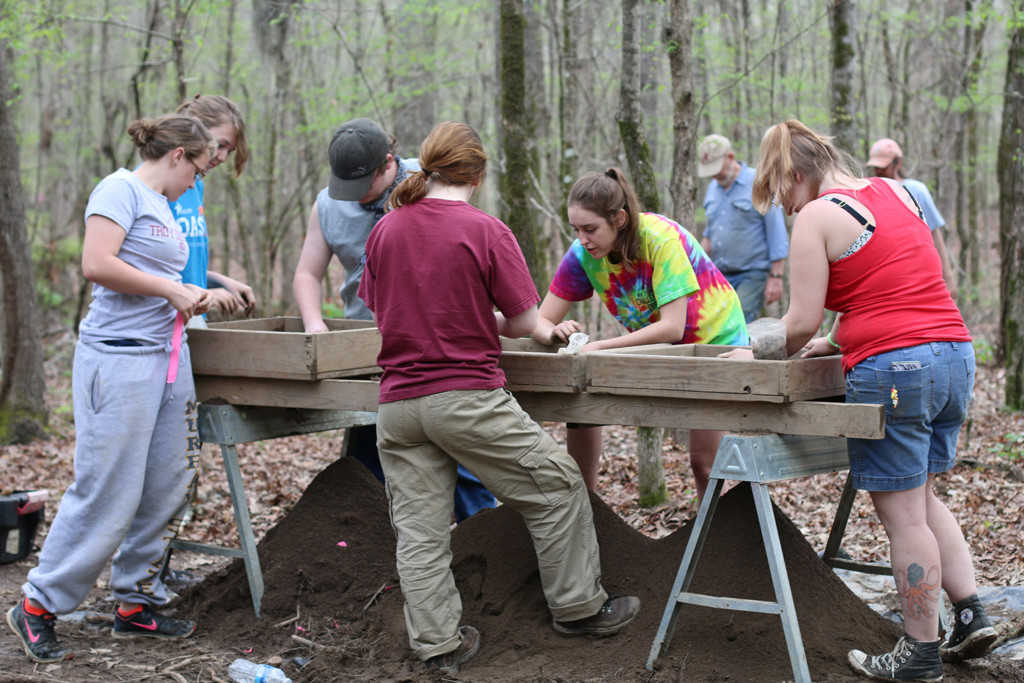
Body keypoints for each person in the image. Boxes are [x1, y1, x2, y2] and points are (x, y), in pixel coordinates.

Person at [357, 121, 640, 675]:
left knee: (420, 532)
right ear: (478, 174)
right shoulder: (485, 230)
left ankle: (438, 645)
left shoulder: (385, 230)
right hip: (463, 396)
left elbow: (384, 307)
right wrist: (535, 329)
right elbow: (521, 319)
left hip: (395, 405)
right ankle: (580, 608)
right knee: (557, 485)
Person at [747, 119, 996, 681]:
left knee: (901, 514)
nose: (787, 208)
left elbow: (796, 323)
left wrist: (753, 351)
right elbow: (893, 281)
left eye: (782, 192)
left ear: (795, 174)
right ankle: (970, 613)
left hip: (895, 368)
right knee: (924, 498)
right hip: (954, 353)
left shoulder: (817, 215)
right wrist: (835, 339)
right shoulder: (899, 193)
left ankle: (919, 654)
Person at [6, 114, 215, 663]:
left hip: (168, 358)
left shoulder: (165, 206)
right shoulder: (118, 190)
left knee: (170, 481)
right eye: (195, 168)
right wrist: (172, 288)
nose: (195, 182)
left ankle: (133, 601)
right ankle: (38, 604)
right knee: (109, 489)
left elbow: (155, 279)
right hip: (118, 360)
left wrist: (196, 292)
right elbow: (97, 264)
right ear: (177, 156)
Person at [292, 118, 496, 522]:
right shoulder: (328, 204)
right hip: (365, 350)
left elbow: (469, 246)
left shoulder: (435, 182)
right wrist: (315, 326)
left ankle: (482, 540)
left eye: (363, 183)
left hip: (436, 348)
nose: (353, 195)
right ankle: (377, 555)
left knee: (459, 456)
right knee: (370, 465)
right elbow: (307, 273)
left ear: (388, 163)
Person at [531, 168, 749, 498]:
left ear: (619, 218)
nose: (582, 238)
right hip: (657, 344)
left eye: (590, 229)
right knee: (583, 392)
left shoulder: (659, 239)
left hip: (713, 342)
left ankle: (718, 539)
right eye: (576, 229)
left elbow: (672, 327)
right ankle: (588, 510)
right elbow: (541, 319)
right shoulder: (582, 254)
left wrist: (602, 346)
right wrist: (552, 330)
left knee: (704, 463)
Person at [173, 95, 255, 323]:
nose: (221, 157)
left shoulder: (195, 185)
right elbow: (145, 270)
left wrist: (220, 282)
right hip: (162, 321)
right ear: (195, 128)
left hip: (192, 314)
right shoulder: (159, 186)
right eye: (220, 145)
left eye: (229, 151)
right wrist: (203, 294)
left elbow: (179, 266)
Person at [697, 133, 789, 323]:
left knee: (739, 320)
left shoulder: (758, 182)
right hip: (720, 273)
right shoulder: (713, 189)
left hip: (752, 272)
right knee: (715, 324)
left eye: (718, 169)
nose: (715, 175)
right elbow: (710, 234)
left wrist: (776, 276)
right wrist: (693, 261)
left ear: (730, 158)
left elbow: (777, 233)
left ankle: (743, 352)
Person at [866, 137, 958, 299]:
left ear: (897, 163)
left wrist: (948, 277)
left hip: (919, 274)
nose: (879, 171)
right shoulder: (870, 192)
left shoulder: (916, 190)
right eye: (876, 167)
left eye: (883, 166)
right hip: (885, 280)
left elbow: (935, 234)